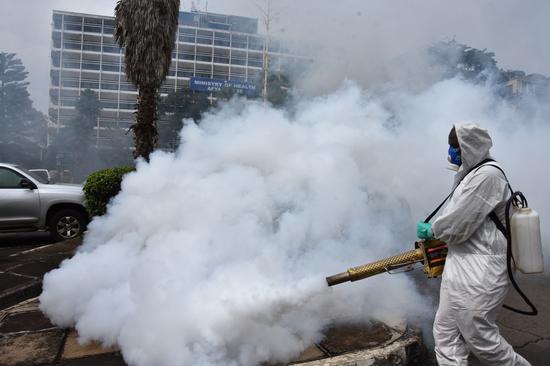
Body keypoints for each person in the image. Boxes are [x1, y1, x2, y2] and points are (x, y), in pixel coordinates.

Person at [416, 123, 530, 366]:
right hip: (459, 266)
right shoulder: (471, 173)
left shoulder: (488, 176)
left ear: (469, 147)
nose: (451, 152)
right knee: (445, 333)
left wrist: (434, 230)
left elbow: (458, 225)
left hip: (480, 271)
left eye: (454, 147)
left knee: (482, 341)